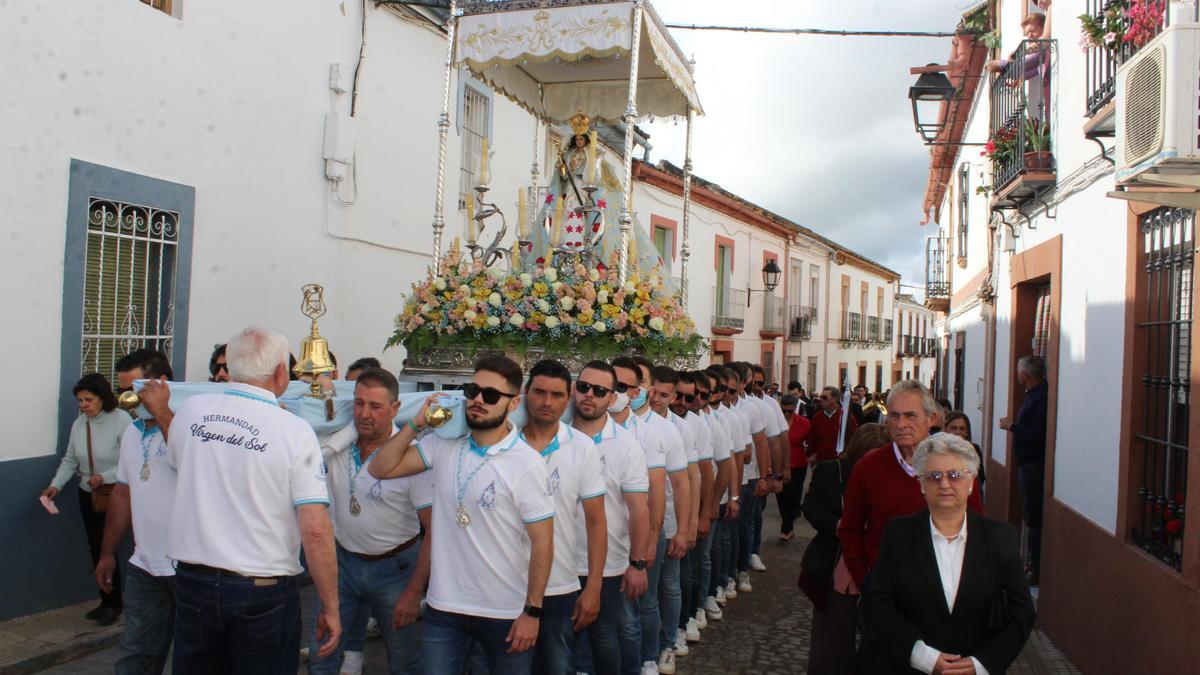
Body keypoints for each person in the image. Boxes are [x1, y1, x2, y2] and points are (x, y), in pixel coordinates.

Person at [164, 327, 340, 673]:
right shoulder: (293, 430)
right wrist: (331, 605)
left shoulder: (190, 410)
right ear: (279, 372)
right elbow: (315, 529)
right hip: (261, 590)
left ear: (229, 364)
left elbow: (178, 464)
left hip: (194, 581)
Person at [369, 355, 554, 674]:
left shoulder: (527, 463)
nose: (478, 400)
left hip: (505, 611)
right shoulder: (444, 444)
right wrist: (416, 424)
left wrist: (532, 612)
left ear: (512, 403)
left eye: (491, 395)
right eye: (472, 390)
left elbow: (544, 543)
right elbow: (380, 468)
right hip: (445, 609)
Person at [865, 433, 1036, 674]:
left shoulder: (1000, 538)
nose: (944, 484)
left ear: (971, 482)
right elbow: (877, 604)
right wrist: (923, 657)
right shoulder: (898, 534)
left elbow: (1023, 613)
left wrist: (982, 664)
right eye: (934, 476)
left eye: (955, 475)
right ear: (921, 484)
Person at [307, 367, 432, 675]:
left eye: (375, 406)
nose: (364, 414)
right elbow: (307, 404)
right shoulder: (338, 444)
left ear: (395, 409)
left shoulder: (411, 457)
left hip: (396, 569)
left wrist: (415, 591)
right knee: (322, 652)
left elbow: (433, 530)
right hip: (343, 565)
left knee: (403, 660)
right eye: (359, 403)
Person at [838, 381, 984, 599]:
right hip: (886, 594)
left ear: (931, 418)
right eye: (894, 416)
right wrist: (866, 581)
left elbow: (975, 528)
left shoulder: (955, 468)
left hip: (944, 594)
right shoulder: (867, 468)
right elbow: (851, 529)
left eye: (910, 415)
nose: (901, 424)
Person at [520, 360, 608, 675]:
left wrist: (593, 587)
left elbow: (596, 522)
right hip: (503, 585)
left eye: (556, 395)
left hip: (559, 585)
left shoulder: (581, 447)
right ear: (524, 393)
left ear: (568, 397)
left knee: (557, 666)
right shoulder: (505, 443)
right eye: (539, 392)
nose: (547, 402)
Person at [95, 350, 176, 672]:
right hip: (145, 566)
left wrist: (163, 411)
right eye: (123, 392)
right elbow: (122, 493)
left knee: (193, 658)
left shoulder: (189, 426)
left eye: (135, 391)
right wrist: (107, 553)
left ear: (162, 384)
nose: (127, 401)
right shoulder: (131, 432)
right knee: (136, 655)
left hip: (190, 569)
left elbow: (190, 461)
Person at [572, 359, 649, 675]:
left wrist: (638, 564)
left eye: (599, 390)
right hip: (557, 560)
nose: (589, 395)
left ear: (611, 397)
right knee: (562, 642)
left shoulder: (626, 445)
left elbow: (639, 510)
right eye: (583, 387)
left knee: (604, 639)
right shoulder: (553, 435)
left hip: (606, 565)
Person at [43, 372, 131, 625]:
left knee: (108, 547)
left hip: (113, 493)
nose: (84, 406)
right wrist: (55, 487)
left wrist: (105, 476)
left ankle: (114, 603)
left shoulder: (121, 420)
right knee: (96, 546)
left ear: (102, 398)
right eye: (80, 401)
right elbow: (70, 460)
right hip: (87, 494)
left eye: (89, 400)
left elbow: (132, 460)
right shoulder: (80, 423)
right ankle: (105, 599)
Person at [802, 423, 890, 675]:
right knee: (832, 638)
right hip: (835, 561)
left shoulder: (890, 478)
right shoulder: (832, 471)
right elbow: (811, 506)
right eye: (868, 457)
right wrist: (838, 525)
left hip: (877, 563)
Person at [643, 364, 692, 675]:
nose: (656, 399)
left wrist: (684, 529)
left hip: (671, 516)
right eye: (653, 392)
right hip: (640, 522)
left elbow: (688, 481)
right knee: (643, 593)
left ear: (674, 397)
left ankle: (668, 643)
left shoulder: (679, 429)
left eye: (663, 395)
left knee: (668, 584)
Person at [999, 355, 1048, 585]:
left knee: (1034, 518)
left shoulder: (1041, 398)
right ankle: (1031, 564)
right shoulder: (1035, 395)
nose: (1017, 375)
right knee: (1030, 515)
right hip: (1028, 466)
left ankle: (1036, 569)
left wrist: (1012, 426)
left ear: (1025, 375)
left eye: (1019, 371)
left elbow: (1039, 435)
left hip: (1034, 467)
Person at [776, 394, 809, 542]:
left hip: (798, 464)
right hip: (779, 462)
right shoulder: (776, 422)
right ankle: (788, 524)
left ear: (795, 409)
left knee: (792, 496)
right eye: (784, 411)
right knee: (780, 496)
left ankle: (786, 528)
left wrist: (810, 456)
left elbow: (812, 441)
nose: (786, 414)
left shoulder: (804, 423)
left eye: (790, 411)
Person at [807, 386, 858, 463]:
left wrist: (846, 455)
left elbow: (854, 439)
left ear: (835, 399)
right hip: (821, 462)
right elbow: (812, 439)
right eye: (820, 397)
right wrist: (813, 454)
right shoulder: (817, 418)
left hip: (840, 463)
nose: (821, 400)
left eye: (824, 397)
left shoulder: (847, 418)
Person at [944, 412, 986, 487]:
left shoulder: (974, 449)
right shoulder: (937, 450)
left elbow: (980, 478)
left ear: (967, 432)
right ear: (945, 429)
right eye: (953, 428)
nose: (957, 432)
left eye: (962, 429)